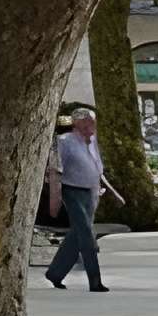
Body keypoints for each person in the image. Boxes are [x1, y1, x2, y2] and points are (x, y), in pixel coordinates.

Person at [47, 106, 115, 292]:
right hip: (72, 190)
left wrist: (111, 191)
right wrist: (55, 198)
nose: (91, 126)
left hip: (90, 191)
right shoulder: (64, 141)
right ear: (76, 125)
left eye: (92, 122)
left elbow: (97, 167)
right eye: (86, 123)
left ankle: (55, 273)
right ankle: (95, 280)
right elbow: (56, 169)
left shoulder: (92, 141)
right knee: (86, 234)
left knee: (76, 236)